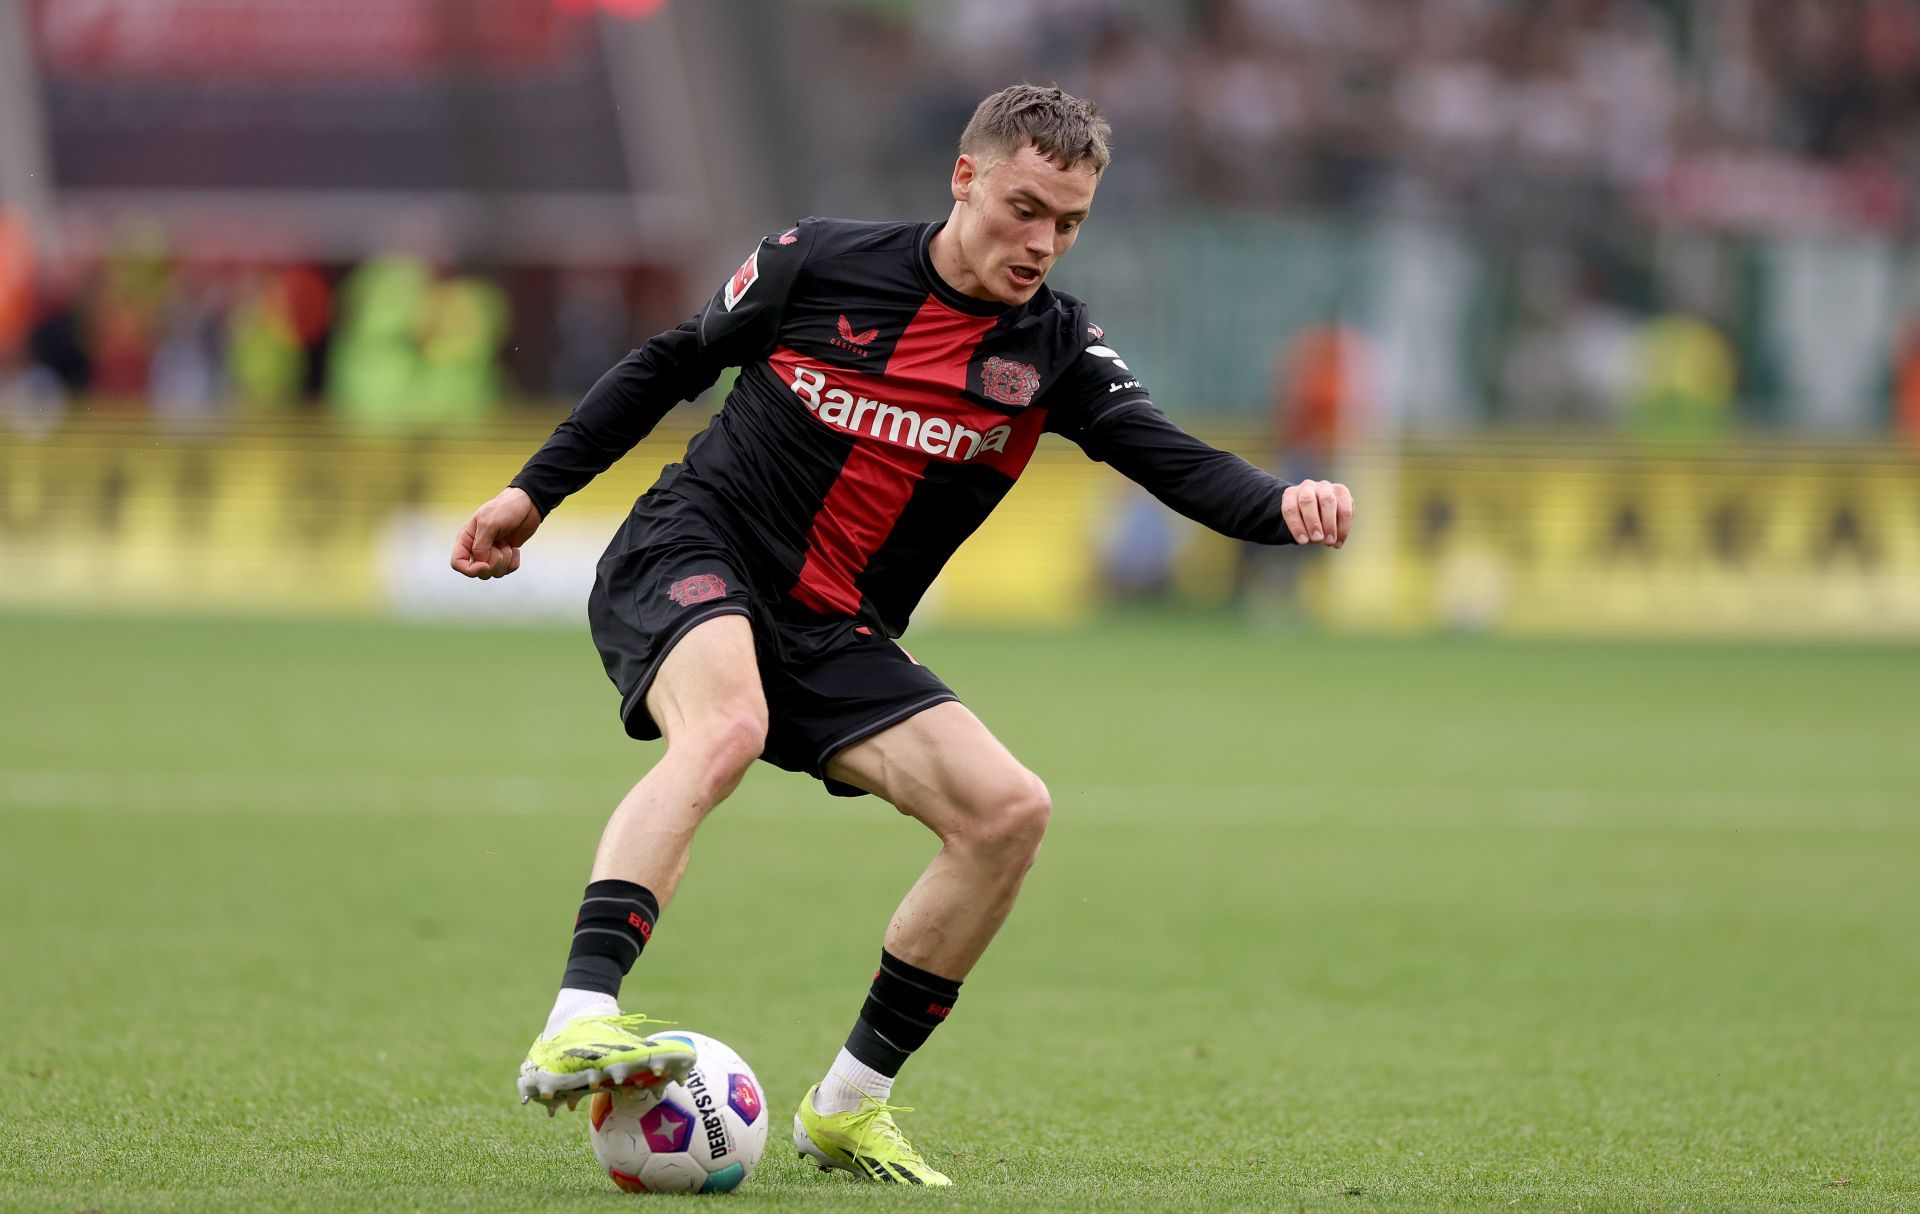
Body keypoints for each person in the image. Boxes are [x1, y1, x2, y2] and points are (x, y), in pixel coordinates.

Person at [450, 84, 1353, 1187]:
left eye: (1068, 222)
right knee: (727, 723)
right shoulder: (817, 262)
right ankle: (579, 1014)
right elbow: (670, 363)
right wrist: (531, 495)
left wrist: (1279, 505)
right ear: (965, 177)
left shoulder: (1052, 346)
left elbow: (1167, 455)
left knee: (1007, 811)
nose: (1042, 242)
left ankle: (847, 1105)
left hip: (837, 625)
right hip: (699, 544)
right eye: (1025, 207)